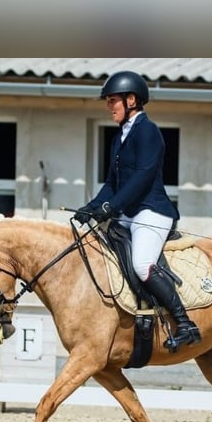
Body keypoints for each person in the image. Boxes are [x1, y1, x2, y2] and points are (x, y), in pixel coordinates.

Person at [73, 70, 201, 352]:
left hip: (152, 212)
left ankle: (185, 323)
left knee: (142, 264)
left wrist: (112, 206)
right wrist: (91, 207)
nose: (109, 106)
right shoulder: (119, 136)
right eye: (107, 101)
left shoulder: (148, 131)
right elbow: (112, 183)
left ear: (131, 100)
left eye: (113, 100)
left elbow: (143, 176)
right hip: (129, 213)